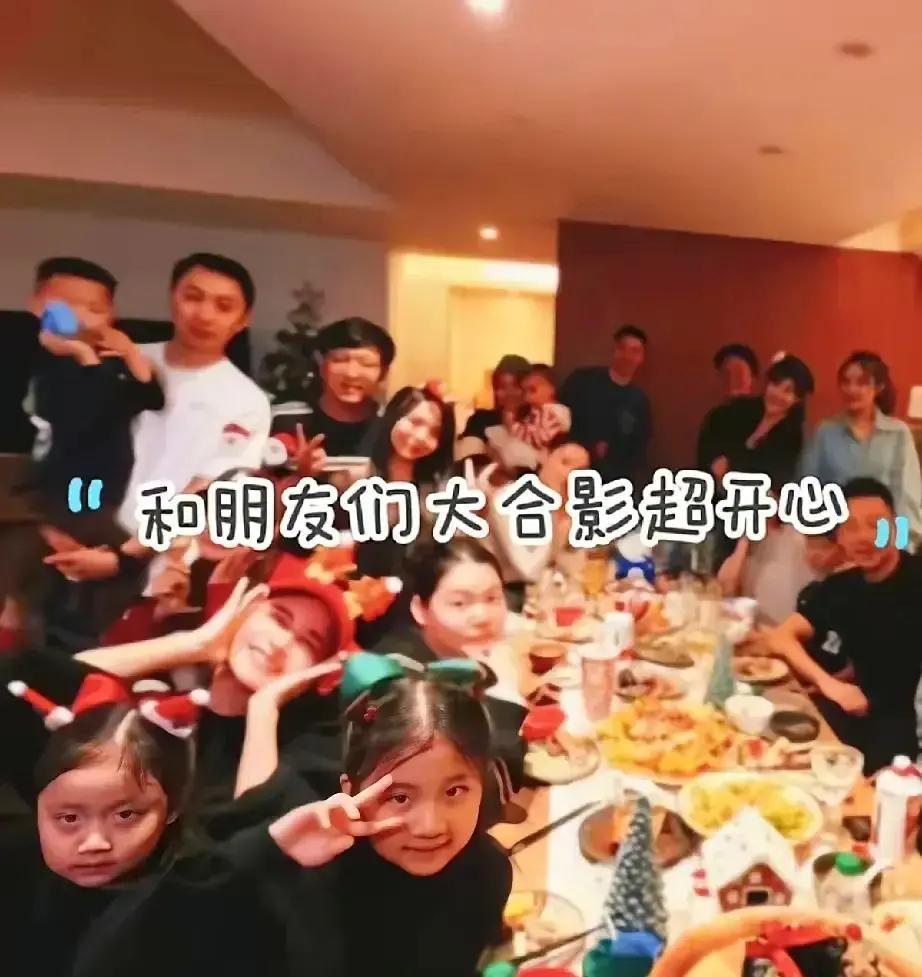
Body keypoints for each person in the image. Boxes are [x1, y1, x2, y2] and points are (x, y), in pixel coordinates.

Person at [0, 673, 286, 977]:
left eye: (125, 815)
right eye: (69, 819)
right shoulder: (15, 874)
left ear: (173, 805)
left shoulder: (203, 900)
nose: (95, 842)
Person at [254, 653, 514, 977]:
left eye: (454, 791)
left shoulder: (489, 871)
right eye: (399, 797)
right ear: (350, 792)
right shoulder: (313, 890)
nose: (429, 827)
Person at [767, 478, 922, 773]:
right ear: (839, 536)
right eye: (850, 527)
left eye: (876, 525)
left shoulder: (916, 580)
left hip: (903, 743)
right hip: (849, 722)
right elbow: (781, 637)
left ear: (896, 527)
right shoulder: (841, 587)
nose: (863, 537)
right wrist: (830, 685)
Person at [800, 351, 921, 540]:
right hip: (836, 535)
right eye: (846, 382)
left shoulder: (898, 433)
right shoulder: (825, 431)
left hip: (884, 536)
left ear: (878, 387)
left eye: (862, 383)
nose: (852, 389)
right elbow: (806, 489)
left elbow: (907, 500)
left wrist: (901, 544)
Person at [271, 316, 396, 462]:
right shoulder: (283, 418)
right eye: (340, 360)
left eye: (366, 364)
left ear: (383, 373)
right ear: (322, 365)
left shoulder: (392, 426)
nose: (352, 373)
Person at [697, 353, 813, 487]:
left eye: (787, 391)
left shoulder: (793, 438)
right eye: (775, 384)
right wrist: (714, 462)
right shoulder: (736, 410)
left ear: (797, 399)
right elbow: (710, 442)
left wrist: (730, 466)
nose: (777, 394)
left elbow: (774, 479)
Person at [560, 324, 651, 485]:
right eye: (622, 348)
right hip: (570, 474)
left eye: (635, 351)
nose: (627, 356)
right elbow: (559, 418)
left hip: (614, 485)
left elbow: (638, 451)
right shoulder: (582, 381)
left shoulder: (639, 401)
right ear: (613, 350)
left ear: (642, 358)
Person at [457, 354, 529, 455]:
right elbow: (468, 457)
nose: (509, 393)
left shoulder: (540, 424)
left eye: (516, 386)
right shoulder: (480, 420)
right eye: (502, 387)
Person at [506, 363, 571, 459]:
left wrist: (513, 425)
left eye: (532, 390)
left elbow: (540, 440)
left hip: (549, 461)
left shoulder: (556, 412)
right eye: (525, 391)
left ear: (551, 389)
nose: (527, 397)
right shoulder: (535, 410)